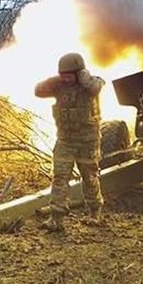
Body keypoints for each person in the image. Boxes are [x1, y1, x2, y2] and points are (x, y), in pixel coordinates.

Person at [34, 52, 105, 231]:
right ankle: (56, 218)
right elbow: (38, 91)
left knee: (89, 177)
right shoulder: (59, 87)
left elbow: (95, 87)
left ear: (78, 72)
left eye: (69, 75)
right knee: (60, 178)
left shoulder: (90, 84)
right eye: (63, 75)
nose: (66, 80)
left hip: (87, 141)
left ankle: (94, 213)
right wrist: (55, 79)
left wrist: (84, 77)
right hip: (65, 141)